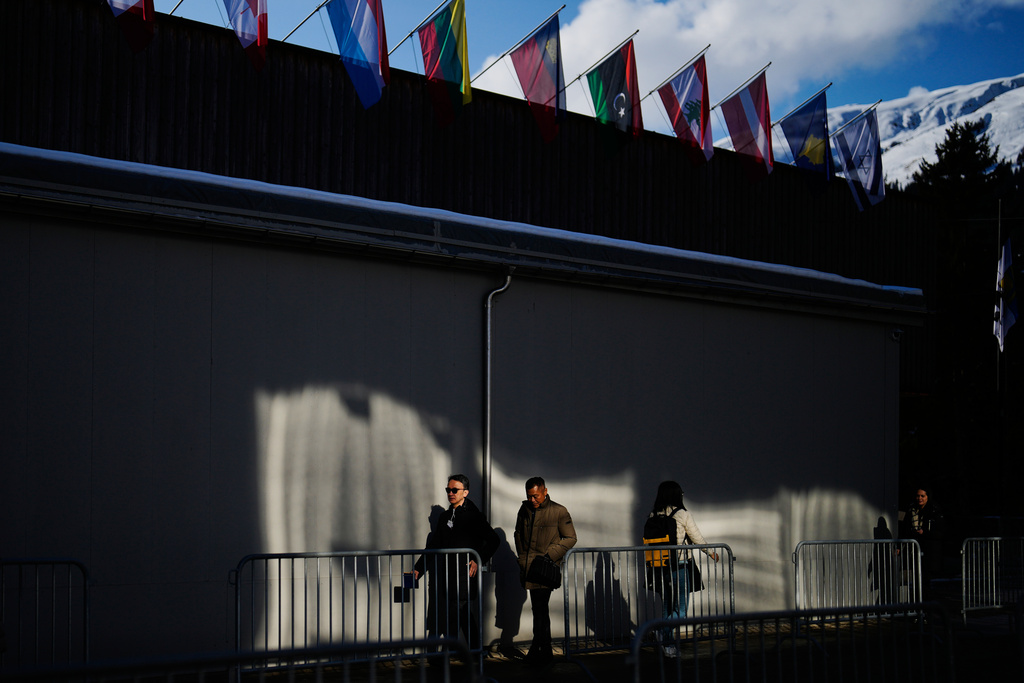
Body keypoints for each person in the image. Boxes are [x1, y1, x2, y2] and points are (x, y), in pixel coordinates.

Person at [414, 474, 499, 650]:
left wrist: (478, 558)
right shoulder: (445, 517)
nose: (450, 493)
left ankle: (446, 653)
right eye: (448, 490)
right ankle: (476, 651)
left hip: (464, 575)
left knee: (456, 613)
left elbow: (493, 540)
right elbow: (434, 545)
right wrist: (418, 569)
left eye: (455, 490)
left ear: (465, 492)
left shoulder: (474, 516)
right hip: (447, 576)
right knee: (462, 614)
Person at [648, 480, 718, 658]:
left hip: (660, 566)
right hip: (679, 565)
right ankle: (663, 635)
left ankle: (668, 645)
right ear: (676, 495)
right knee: (681, 609)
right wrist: (711, 552)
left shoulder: (653, 514)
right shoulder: (682, 514)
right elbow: (696, 538)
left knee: (666, 607)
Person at [514, 477, 577, 667]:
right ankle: (545, 649)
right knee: (539, 609)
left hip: (545, 569)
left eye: (536, 496)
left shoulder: (558, 511)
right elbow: (518, 534)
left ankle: (537, 649)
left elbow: (571, 538)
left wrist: (549, 556)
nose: (533, 500)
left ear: (545, 491)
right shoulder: (524, 510)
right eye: (529, 496)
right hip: (530, 568)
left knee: (540, 608)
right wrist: (523, 557)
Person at [900, 486, 944, 601]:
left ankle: (926, 612)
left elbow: (940, 531)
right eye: (918, 496)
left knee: (925, 582)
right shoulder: (912, 509)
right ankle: (918, 610)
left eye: (922, 496)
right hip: (915, 550)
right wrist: (899, 546)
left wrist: (926, 532)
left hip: (929, 551)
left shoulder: (934, 510)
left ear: (927, 497)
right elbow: (905, 529)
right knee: (916, 581)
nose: (920, 498)